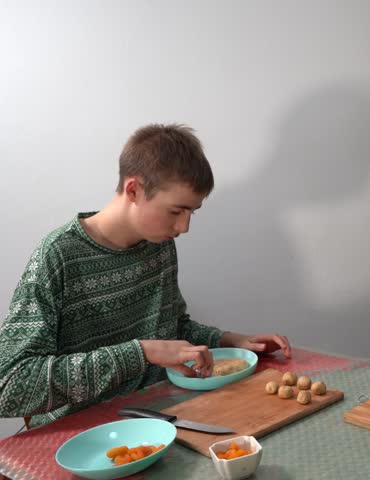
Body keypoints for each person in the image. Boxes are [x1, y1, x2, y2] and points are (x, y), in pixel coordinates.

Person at [0, 124, 291, 429]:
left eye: (193, 212)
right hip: (82, 434)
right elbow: (8, 384)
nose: (184, 228)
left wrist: (229, 340)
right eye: (176, 211)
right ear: (134, 190)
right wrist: (141, 353)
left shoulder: (159, 245)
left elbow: (171, 328)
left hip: (161, 413)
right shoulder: (58, 256)